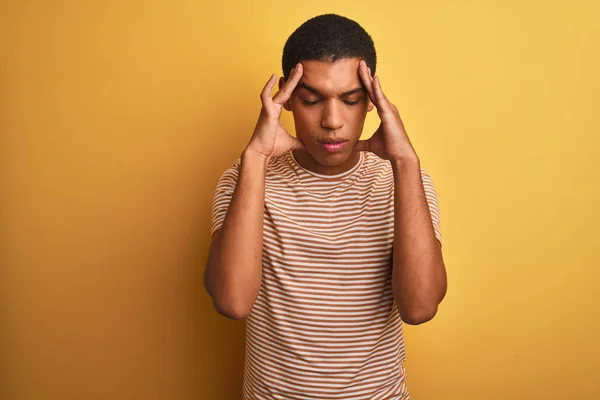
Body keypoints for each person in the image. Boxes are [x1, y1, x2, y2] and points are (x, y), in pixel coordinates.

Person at [204, 13, 447, 399]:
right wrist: (255, 158)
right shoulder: (244, 180)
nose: (332, 121)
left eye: (350, 100)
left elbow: (419, 309)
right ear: (284, 96)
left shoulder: (402, 182)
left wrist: (405, 163)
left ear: (372, 101)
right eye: (312, 100)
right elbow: (232, 301)